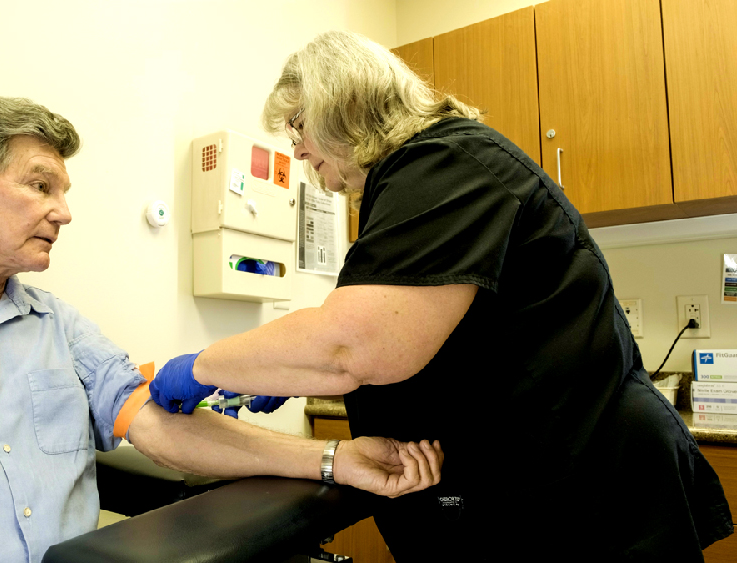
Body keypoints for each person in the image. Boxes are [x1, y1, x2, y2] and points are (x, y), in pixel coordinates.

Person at [0, 96, 445, 563]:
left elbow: (164, 428)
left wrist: (332, 459)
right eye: (41, 185)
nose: (64, 212)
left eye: (64, 193)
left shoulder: (58, 326)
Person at [149, 31, 734, 560]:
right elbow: (405, 329)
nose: (297, 150)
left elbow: (352, 345)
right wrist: (283, 371)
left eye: (299, 126)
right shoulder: (421, 177)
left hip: (583, 496)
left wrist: (203, 368)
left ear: (342, 105)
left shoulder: (443, 163)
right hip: (541, 483)